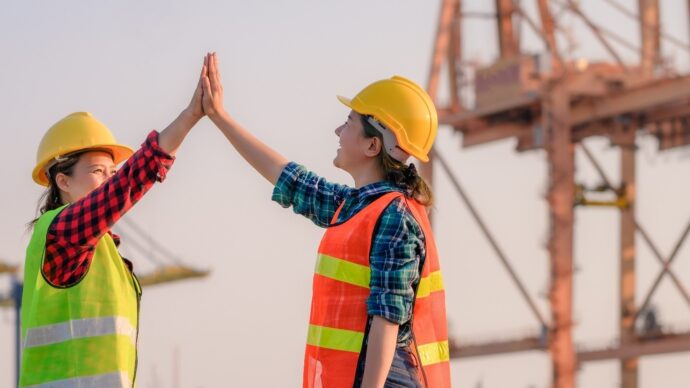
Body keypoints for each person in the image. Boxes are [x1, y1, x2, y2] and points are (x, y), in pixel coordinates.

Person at [201, 52, 451, 387]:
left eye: (348, 123)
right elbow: (289, 177)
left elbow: (386, 319)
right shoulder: (355, 206)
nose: (337, 130)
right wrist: (220, 117)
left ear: (372, 145)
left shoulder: (394, 217)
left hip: (382, 378)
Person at [20, 57, 207, 387]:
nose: (107, 181)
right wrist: (189, 117)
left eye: (111, 172)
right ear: (62, 181)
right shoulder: (61, 236)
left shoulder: (102, 250)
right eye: (96, 172)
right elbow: (128, 184)